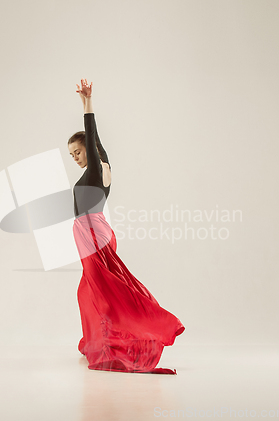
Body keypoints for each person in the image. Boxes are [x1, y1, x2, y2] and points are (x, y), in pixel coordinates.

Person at [68, 78, 185, 374]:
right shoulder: (105, 163)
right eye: (71, 155)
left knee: (104, 292)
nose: (75, 158)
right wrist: (83, 101)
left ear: (89, 151)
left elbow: (93, 135)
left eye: (77, 152)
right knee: (89, 291)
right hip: (97, 230)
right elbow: (97, 143)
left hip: (91, 232)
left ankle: (126, 339)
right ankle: (99, 341)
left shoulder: (96, 167)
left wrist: (89, 104)